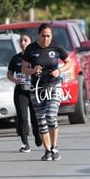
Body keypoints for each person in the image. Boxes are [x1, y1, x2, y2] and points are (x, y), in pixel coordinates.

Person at [22, 23, 72, 161]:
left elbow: (69, 62)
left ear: (51, 36)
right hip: (37, 88)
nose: (46, 39)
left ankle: (55, 146)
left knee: (50, 115)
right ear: (38, 35)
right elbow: (24, 69)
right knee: (41, 121)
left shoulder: (56, 47)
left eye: (48, 36)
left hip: (54, 85)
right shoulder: (31, 49)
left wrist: (59, 70)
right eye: (43, 36)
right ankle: (48, 151)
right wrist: (32, 70)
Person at [7, 34, 42, 153]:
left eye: (25, 40)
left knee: (35, 117)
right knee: (22, 117)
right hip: (20, 91)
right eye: (21, 41)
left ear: (31, 42)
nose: (23, 43)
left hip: (33, 90)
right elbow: (9, 74)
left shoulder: (35, 57)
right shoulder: (15, 58)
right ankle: (25, 143)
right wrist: (14, 80)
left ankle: (37, 135)